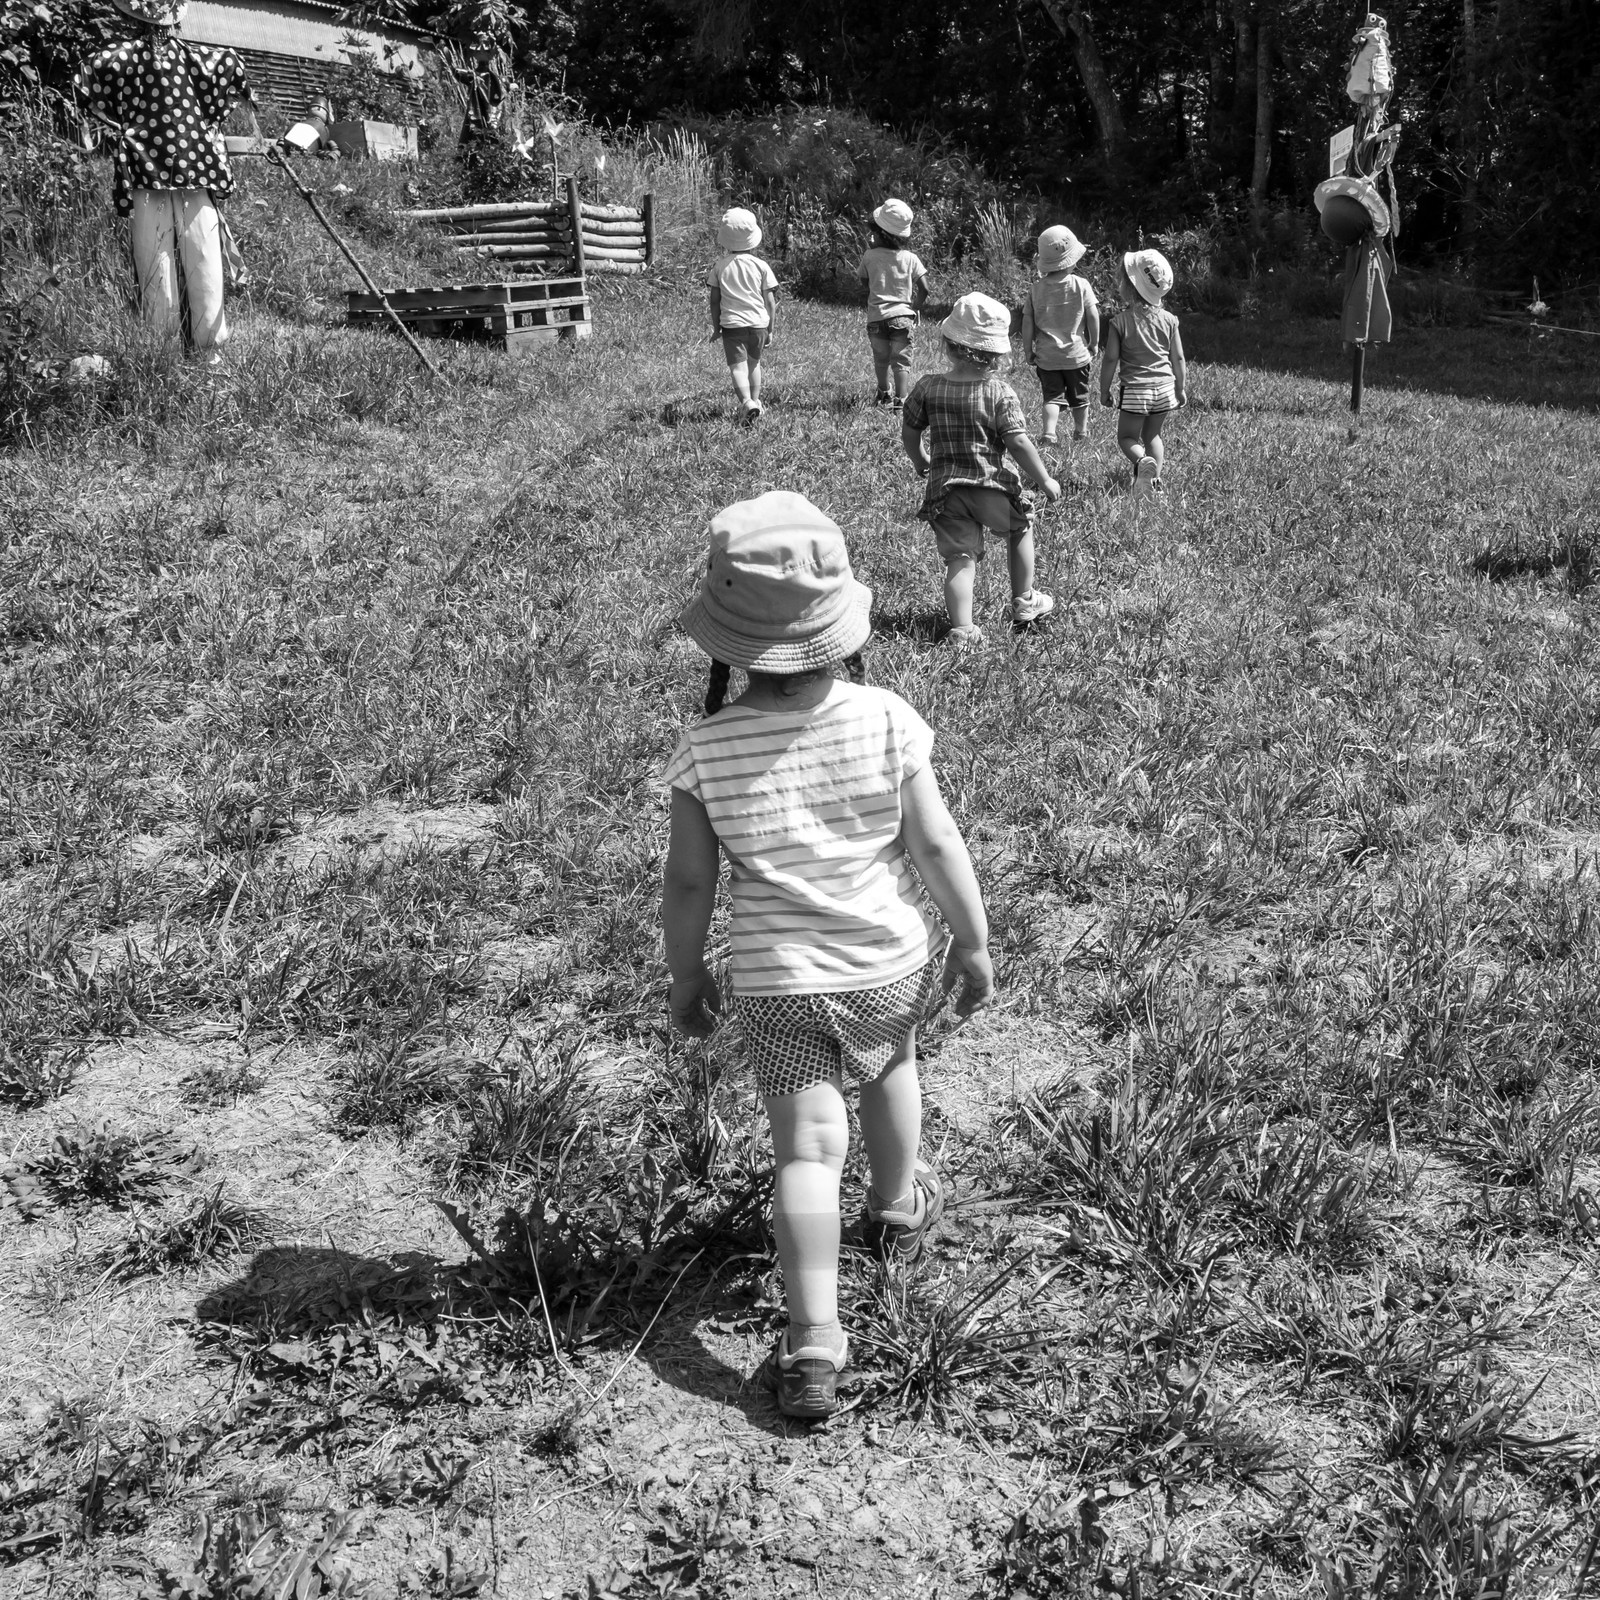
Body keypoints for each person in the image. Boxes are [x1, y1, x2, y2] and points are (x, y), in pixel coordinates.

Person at [662, 492, 995, 1421]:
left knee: (805, 1150)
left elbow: (689, 888)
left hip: (775, 983)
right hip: (886, 965)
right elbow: (937, 847)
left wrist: (689, 976)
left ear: (728, 639)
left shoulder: (705, 748)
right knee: (894, 1068)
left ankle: (813, 1340)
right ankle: (895, 1206)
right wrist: (972, 940)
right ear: (841, 622)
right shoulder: (887, 718)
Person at [73, 0, 253, 359]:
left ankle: (162, 351)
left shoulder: (113, 60)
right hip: (196, 170)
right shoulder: (204, 59)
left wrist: (123, 126)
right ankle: (208, 353)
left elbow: (86, 86)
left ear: (130, 15)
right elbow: (232, 71)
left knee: (154, 261)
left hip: (144, 172)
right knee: (204, 258)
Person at [900, 293, 1061, 645]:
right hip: (990, 487)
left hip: (946, 492)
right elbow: (1017, 442)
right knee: (1019, 529)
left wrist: (921, 459)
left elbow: (910, 430)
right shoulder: (999, 392)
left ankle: (962, 629)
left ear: (948, 343)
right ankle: (1024, 600)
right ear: (997, 354)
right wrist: (1044, 478)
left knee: (960, 558)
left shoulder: (928, 386)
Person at [1100, 249, 1186, 495]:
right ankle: (1153, 484)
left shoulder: (1120, 321)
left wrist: (1104, 390)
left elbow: (1110, 359)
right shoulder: (1170, 320)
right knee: (1153, 436)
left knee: (1127, 438)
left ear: (1129, 285)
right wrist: (1180, 389)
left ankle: (1141, 462)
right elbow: (1178, 357)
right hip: (1165, 389)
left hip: (1136, 390)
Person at [1019, 225, 1099, 453]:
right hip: (1076, 356)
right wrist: (1093, 342)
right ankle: (1081, 432)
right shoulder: (1081, 285)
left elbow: (1027, 321)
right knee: (1080, 397)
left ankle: (1049, 433)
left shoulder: (1036, 289)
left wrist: (1028, 350)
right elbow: (1093, 315)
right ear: (1071, 259)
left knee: (1052, 398)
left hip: (1047, 357)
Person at [856, 199, 929, 409]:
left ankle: (883, 393)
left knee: (881, 359)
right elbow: (925, 288)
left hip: (877, 317)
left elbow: (863, 280)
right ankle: (901, 399)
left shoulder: (869, 255)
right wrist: (914, 307)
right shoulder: (910, 258)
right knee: (902, 361)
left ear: (878, 233)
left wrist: (874, 290)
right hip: (903, 318)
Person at [708, 208, 778, 424]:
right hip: (758, 325)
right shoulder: (761, 266)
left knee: (738, 367)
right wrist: (770, 329)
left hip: (733, 326)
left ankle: (746, 402)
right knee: (754, 364)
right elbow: (770, 302)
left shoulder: (720, 266)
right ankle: (756, 401)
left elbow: (714, 300)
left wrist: (717, 327)